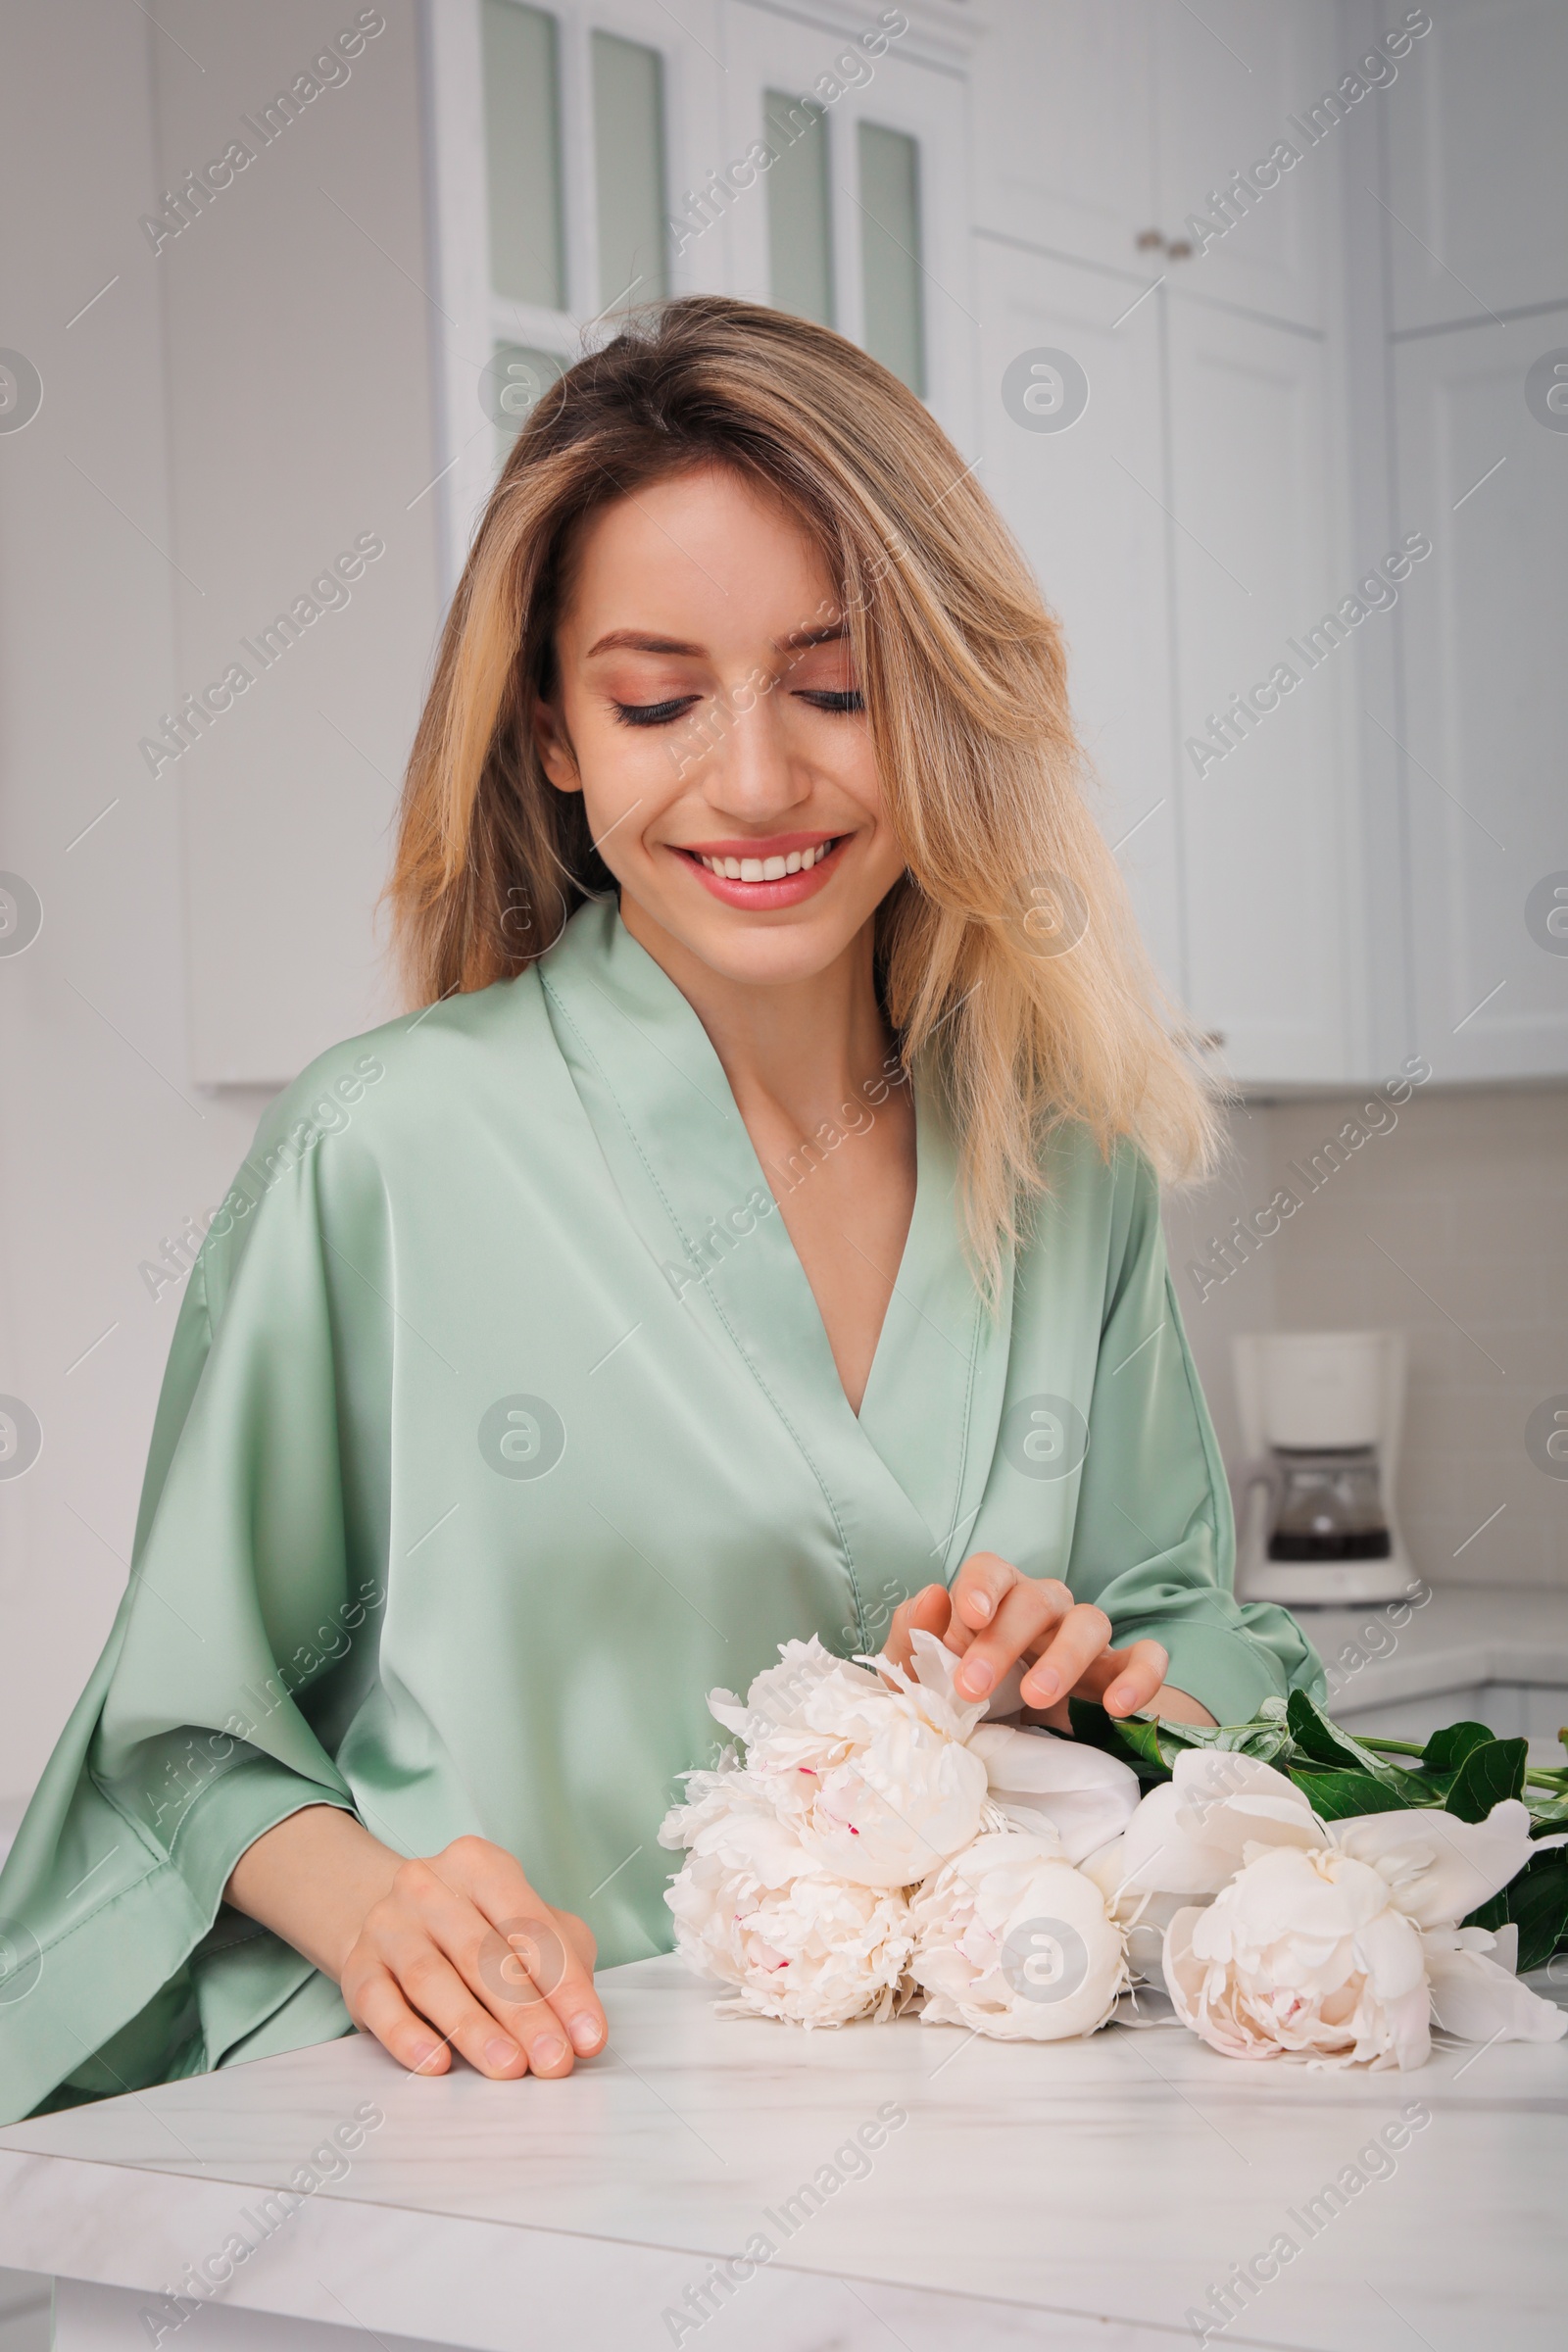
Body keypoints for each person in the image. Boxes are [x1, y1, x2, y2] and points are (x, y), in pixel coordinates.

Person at [0, 297, 1321, 2123]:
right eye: (656, 699)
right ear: (552, 728)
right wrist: (378, 1904)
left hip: (978, 2158)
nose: (760, 780)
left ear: (935, 695)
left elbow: (1218, 1648)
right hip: (483, 2139)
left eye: (838, 687)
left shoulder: (1060, 1157)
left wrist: (1101, 1686)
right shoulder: (391, 1148)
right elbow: (175, 1737)